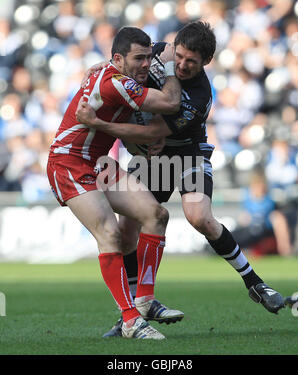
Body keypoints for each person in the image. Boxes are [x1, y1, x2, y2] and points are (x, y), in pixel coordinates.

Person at [77, 21, 285, 338]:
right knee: (127, 227)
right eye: (182, 57)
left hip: (187, 154)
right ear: (174, 48)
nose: (185, 65)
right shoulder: (156, 51)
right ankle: (134, 312)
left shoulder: (199, 96)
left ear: (206, 64)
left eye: (193, 62)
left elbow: (154, 132)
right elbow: (121, 64)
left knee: (200, 217)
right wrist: (102, 67)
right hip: (151, 158)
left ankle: (254, 283)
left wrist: (101, 126)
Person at [47, 26, 185, 340]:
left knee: (156, 215)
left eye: (149, 57)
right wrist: (170, 73)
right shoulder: (114, 84)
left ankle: (145, 301)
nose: (146, 65)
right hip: (68, 162)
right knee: (109, 232)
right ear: (119, 59)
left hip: (98, 162)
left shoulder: (112, 73)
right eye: (138, 58)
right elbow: (170, 103)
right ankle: (131, 320)